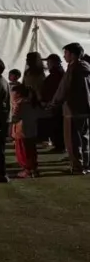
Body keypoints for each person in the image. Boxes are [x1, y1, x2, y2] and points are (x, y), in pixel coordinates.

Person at [46, 43, 90, 175]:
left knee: (72, 140)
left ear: (72, 54)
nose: (64, 56)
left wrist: (54, 103)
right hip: (85, 108)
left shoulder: (73, 69)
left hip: (72, 108)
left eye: (66, 53)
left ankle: (77, 166)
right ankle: (86, 164)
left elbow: (64, 88)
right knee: (84, 138)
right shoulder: (86, 67)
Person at [11, 83, 41, 179]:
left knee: (23, 152)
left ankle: (27, 170)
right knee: (32, 151)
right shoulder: (31, 103)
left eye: (12, 93)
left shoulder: (19, 104)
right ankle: (34, 170)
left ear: (18, 94)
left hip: (21, 132)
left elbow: (15, 118)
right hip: (32, 131)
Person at [41, 54, 66, 152]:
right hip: (55, 103)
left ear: (54, 63)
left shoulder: (57, 74)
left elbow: (54, 89)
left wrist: (50, 101)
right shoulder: (57, 73)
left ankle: (60, 146)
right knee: (56, 125)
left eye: (49, 62)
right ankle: (59, 145)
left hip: (56, 104)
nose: (47, 64)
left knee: (57, 125)